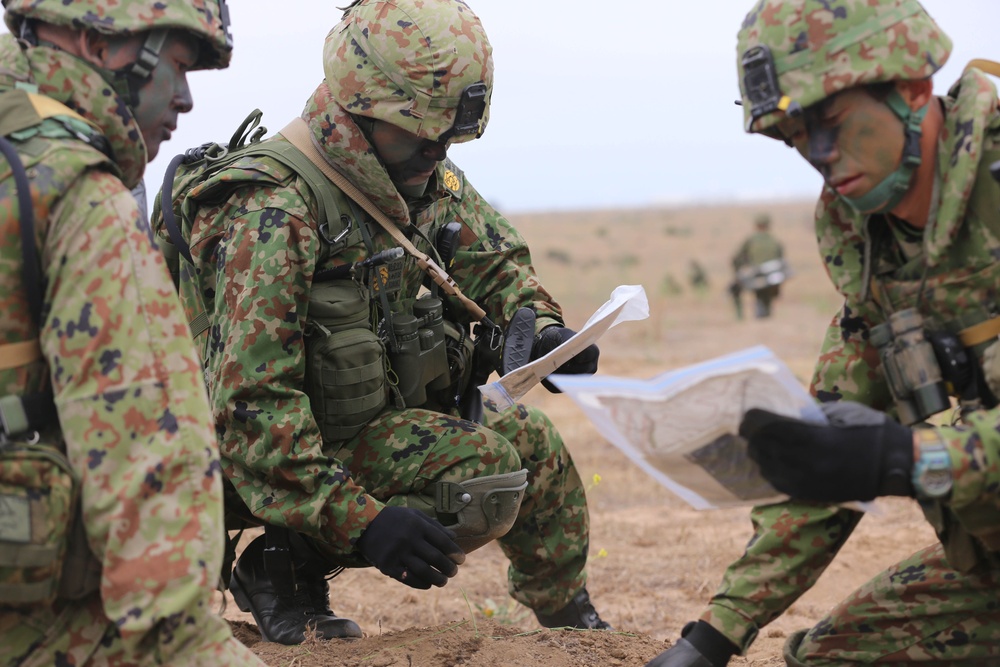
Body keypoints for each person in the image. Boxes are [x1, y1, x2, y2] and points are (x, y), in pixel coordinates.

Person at [153, 0, 609, 646]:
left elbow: (492, 261)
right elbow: (253, 410)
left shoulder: (414, 171)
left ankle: (577, 626)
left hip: (358, 427)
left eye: (448, 139)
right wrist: (362, 522)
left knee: (533, 449)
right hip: (248, 458)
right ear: (359, 108)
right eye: (423, 136)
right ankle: (285, 560)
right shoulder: (275, 208)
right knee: (485, 470)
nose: (438, 153)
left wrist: (541, 330)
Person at [646, 0, 1000, 665]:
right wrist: (715, 636)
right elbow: (826, 454)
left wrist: (908, 457)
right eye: (795, 136)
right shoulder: (873, 245)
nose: (820, 156)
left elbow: (881, 454)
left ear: (914, 87)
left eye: (832, 124)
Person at [0, 1, 267, 666]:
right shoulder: (75, 194)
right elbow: (149, 454)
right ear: (95, 41)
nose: (184, 98)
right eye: (177, 65)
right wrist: (181, 634)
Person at [729, 214, 786, 319]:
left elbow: (738, 257)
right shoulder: (774, 241)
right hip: (771, 276)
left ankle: (739, 316)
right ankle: (765, 313)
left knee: (734, 289)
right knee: (766, 296)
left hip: (755, 274)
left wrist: (738, 271)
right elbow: (781, 259)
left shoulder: (751, 240)